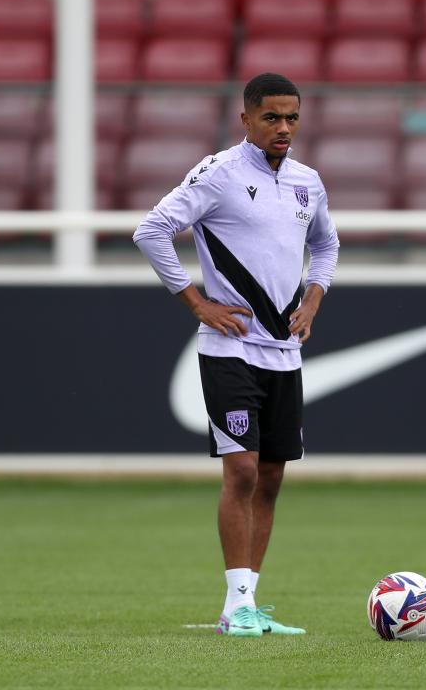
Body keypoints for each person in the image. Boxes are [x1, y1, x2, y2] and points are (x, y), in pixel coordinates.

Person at [132, 73, 340, 637]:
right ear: (245, 119)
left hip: (284, 351)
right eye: (271, 117)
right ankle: (235, 606)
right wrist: (196, 302)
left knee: (271, 477)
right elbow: (152, 231)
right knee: (242, 470)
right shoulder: (219, 173)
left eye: (292, 117)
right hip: (229, 347)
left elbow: (327, 243)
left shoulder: (307, 182)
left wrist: (314, 298)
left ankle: (247, 606)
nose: (283, 128)